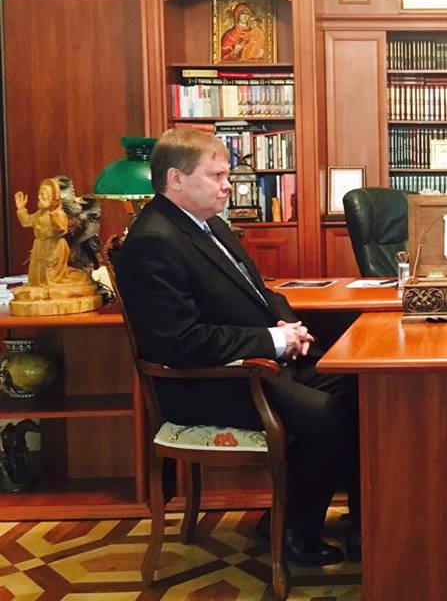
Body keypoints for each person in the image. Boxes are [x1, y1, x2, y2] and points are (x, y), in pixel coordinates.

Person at [113, 128, 359, 566]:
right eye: (216, 176)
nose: (228, 185)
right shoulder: (153, 241)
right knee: (331, 416)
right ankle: (292, 530)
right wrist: (273, 341)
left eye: (226, 176)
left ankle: (360, 523)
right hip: (208, 383)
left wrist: (287, 325)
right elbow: (180, 342)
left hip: (257, 364)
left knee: (364, 389)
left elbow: (260, 292)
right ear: (175, 178)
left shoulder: (211, 225)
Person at [14, 178, 90, 287]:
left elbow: (61, 228)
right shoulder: (40, 213)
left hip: (54, 247)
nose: (39, 197)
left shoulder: (57, 213)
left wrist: (52, 212)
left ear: (52, 197)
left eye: (43, 195)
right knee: (38, 278)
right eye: (39, 194)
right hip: (39, 247)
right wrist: (21, 208)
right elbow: (27, 221)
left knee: (52, 277)